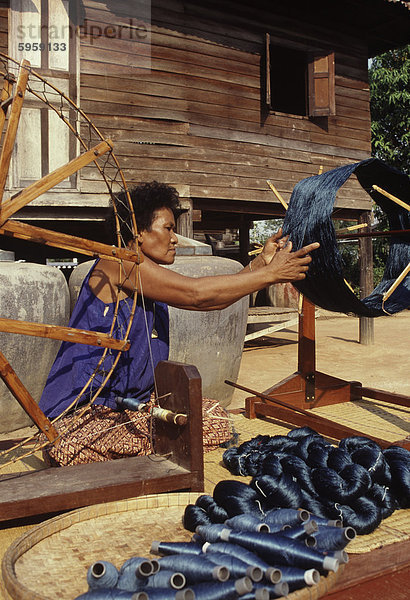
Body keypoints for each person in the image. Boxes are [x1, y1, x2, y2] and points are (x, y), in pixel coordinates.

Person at [39, 181, 319, 466]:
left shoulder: (149, 278)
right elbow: (195, 294)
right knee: (70, 446)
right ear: (137, 232)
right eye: (168, 229)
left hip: (129, 409)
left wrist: (261, 263)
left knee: (213, 418)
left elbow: (213, 301)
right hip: (85, 414)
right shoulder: (117, 263)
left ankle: (139, 449)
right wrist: (271, 274)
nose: (175, 239)